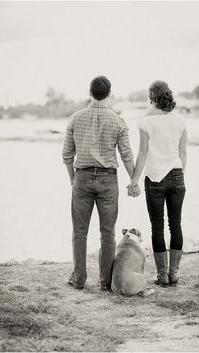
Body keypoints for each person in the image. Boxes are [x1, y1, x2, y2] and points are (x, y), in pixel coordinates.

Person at [62, 76, 135, 291]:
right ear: (109, 93)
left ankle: (79, 279)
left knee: (79, 232)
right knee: (108, 232)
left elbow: (67, 155)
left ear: (89, 92)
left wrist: (72, 179)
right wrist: (134, 181)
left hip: (82, 177)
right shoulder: (118, 121)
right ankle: (105, 282)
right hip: (108, 180)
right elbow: (127, 156)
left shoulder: (75, 118)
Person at [128, 80, 187, 287]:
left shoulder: (145, 122)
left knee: (158, 227)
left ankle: (162, 275)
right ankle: (174, 274)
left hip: (155, 179)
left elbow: (142, 154)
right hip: (177, 175)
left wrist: (133, 181)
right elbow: (183, 153)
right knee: (176, 224)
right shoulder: (180, 121)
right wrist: (180, 175)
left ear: (152, 98)